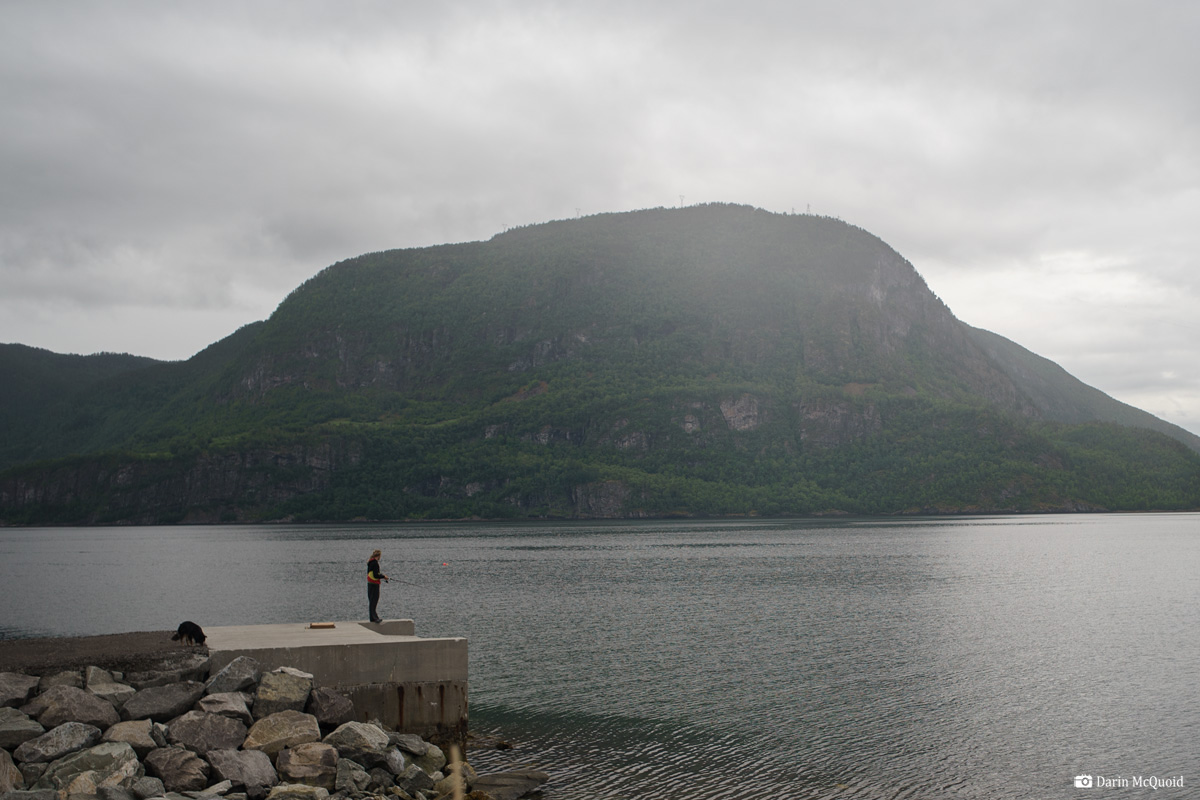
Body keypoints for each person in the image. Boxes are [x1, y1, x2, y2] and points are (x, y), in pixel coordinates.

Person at [367, 549, 390, 623]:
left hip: (370, 584)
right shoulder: (375, 563)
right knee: (374, 601)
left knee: (372, 601)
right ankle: (374, 618)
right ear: (379, 556)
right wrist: (384, 576)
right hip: (374, 584)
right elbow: (376, 575)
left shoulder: (370, 562)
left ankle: (372, 617)